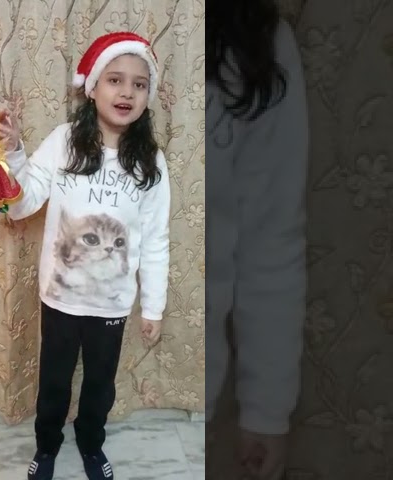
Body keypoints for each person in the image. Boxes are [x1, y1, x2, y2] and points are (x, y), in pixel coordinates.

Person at [0, 32, 171, 480]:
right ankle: (47, 447)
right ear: (92, 88)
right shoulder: (64, 141)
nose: (126, 92)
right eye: (115, 80)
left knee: (99, 386)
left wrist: (153, 306)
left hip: (112, 305)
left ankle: (91, 445)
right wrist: (14, 153)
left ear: (148, 96)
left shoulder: (151, 162)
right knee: (54, 382)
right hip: (60, 298)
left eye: (139, 84)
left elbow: (155, 238)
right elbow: (22, 204)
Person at [205, 0, 308, 478]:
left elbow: (269, 240)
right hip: (30, 374)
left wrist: (267, 408)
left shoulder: (256, 44)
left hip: (174, 395)